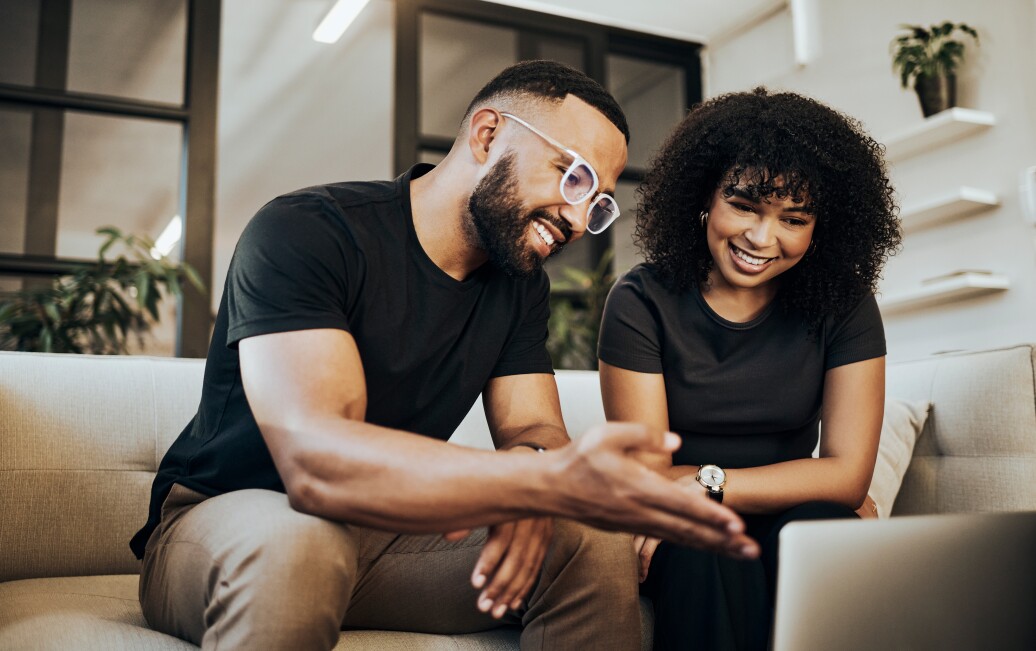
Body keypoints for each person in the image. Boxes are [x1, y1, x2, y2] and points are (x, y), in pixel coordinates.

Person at [130, 60, 758, 651]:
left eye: (595, 202)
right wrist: (530, 481)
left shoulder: (518, 285)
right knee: (300, 541)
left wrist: (535, 481)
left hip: (387, 539)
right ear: (487, 134)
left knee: (589, 538)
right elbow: (318, 462)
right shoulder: (309, 230)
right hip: (231, 522)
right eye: (573, 177)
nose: (575, 216)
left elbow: (534, 427)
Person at [597, 87, 902, 650]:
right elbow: (647, 474)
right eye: (743, 205)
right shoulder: (641, 300)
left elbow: (848, 476)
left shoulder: (845, 303)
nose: (763, 239)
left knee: (823, 528)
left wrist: (709, 485)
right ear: (704, 197)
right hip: (691, 530)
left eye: (794, 218)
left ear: (821, 227)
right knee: (699, 541)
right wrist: (812, 483)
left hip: (788, 516)